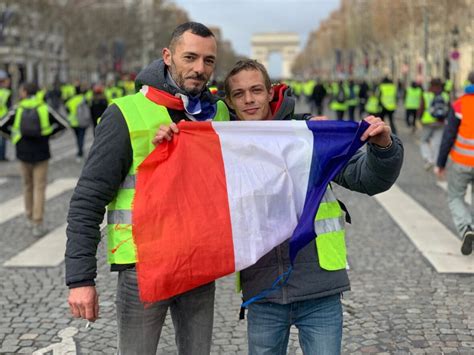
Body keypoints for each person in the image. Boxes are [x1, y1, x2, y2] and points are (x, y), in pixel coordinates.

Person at [155, 59, 404, 355]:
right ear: (230, 102)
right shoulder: (221, 148)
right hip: (263, 292)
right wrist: (170, 147)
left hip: (320, 289)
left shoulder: (307, 136)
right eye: (239, 93)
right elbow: (185, 195)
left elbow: (367, 179)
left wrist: (384, 148)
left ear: (270, 92)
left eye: (256, 90)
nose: (249, 99)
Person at [65, 22, 230, 355]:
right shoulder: (124, 114)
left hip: (199, 265)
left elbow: (266, 126)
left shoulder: (221, 113)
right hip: (142, 266)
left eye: (209, 61)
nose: (200, 68)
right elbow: (88, 199)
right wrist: (80, 280)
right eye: (190, 57)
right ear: (167, 57)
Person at [1, 82, 67, 237]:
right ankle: (38, 221)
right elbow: (63, 124)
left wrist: (13, 137)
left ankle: (29, 216)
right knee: (39, 187)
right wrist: (48, 135)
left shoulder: (17, 108)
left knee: (27, 185)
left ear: (24, 92)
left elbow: (1, 125)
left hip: (23, 152)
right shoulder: (44, 107)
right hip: (42, 152)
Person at [435, 71, 474, 255]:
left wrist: (440, 163)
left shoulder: (460, 105)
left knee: (455, 197)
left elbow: (449, 135)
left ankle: (466, 227)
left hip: (462, 162)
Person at [418, 78, 450, 171]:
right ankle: (437, 164)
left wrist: (418, 118)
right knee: (438, 143)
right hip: (441, 122)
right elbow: (449, 108)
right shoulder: (445, 95)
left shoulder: (426, 94)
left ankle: (428, 159)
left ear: (430, 85)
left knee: (424, 141)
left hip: (428, 122)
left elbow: (421, 107)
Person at [0, 70, 11, 161]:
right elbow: (9, 106)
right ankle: (2, 157)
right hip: (3, 118)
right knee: (3, 139)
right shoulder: (6, 93)